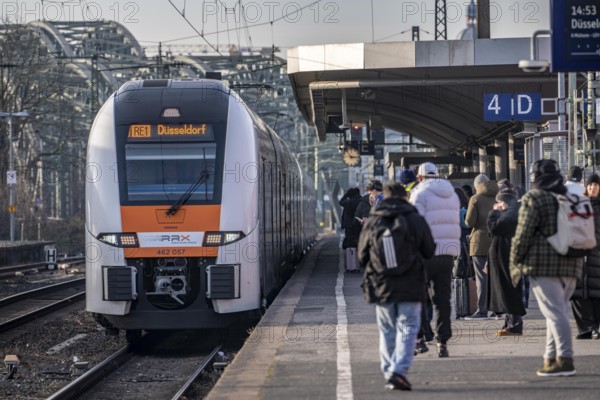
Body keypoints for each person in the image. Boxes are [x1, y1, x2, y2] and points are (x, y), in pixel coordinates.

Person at [358, 182, 436, 391]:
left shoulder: (373, 221)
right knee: (409, 328)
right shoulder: (415, 219)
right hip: (410, 284)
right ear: (404, 197)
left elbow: (361, 256)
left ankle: (389, 370)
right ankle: (398, 370)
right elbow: (429, 250)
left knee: (387, 330)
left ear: (384, 196)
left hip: (381, 285)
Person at [510, 159, 584, 377]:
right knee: (557, 311)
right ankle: (550, 358)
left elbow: (522, 234)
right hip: (573, 262)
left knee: (555, 312)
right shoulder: (570, 196)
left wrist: (514, 263)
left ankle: (565, 359)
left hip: (544, 265)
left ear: (535, 177)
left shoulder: (534, 198)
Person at [409, 162, 461, 357]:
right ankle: (443, 341)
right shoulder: (451, 194)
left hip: (425, 252)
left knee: (417, 297)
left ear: (420, 177)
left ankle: (421, 338)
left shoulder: (419, 193)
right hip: (447, 253)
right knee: (442, 299)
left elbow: (416, 224)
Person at [487, 189, 526, 335]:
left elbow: (494, 228)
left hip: (506, 256)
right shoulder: (513, 212)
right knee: (506, 289)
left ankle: (514, 324)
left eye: (500, 202)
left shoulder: (510, 214)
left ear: (506, 202)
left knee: (508, 289)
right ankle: (510, 322)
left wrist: (493, 214)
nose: (497, 205)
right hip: (505, 255)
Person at [464, 173, 499, 320]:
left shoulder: (475, 198)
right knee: (496, 276)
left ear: (476, 185)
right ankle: (498, 310)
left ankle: (482, 310)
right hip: (497, 240)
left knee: (481, 278)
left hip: (479, 242)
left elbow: (469, 222)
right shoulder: (499, 196)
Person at [571, 173, 600, 340]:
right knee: (579, 294)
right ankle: (585, 328)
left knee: (596, 293)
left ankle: (596, 326)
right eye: (590, 185)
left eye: (596, 185)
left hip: (596, 255)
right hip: (579, 256)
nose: (592, 187)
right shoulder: (579, 205)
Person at [339, 187, 362, 261]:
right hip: (358, 223)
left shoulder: (348, 202)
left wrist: (346, 195)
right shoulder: (360, 200)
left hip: (348, 225)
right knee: (358, 240)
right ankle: (358, 260)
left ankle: (351, 261)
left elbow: (340, 202)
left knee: (349, 243)